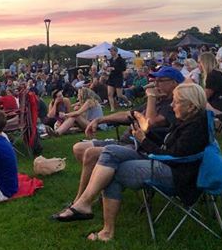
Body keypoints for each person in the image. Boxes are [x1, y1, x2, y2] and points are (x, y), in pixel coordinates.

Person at [52, 84, 210, 242]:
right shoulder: (186, 120)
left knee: (114, 171)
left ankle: (104, 228)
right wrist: (145, 135)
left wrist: (144, 140)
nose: (171, 105)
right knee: (111, 152)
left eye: (176, 102)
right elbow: (168, 145)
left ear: (190, 105)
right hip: (164, 162)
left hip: (176, 174)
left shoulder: (194, 127)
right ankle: (85, 205)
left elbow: (174, 155)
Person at [63, 67, 182, 217]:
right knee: (79, 148)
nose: (155, 85)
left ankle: (80, 201)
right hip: (125, 141)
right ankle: (98, 186)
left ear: (174, 83)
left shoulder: (174, 105)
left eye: (160, 81)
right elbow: (128, 114)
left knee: (91, 153)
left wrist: (151, 97)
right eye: (154, 81)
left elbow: (149, 123)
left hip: (141, 147)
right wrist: (100, 119)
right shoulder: (158, 101)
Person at [106, 47, 126, 111]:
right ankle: (112, 108)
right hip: (111, 78)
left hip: (118, 78)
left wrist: (114, 68)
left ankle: (128, 102)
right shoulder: (111, 60)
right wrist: (108, 69)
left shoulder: (121, 59)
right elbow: (109, 67)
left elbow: (123, 68)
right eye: (110, 51)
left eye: (111, 51)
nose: (110, 53)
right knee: (109, 94)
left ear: (115, 51)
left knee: (119, 95)